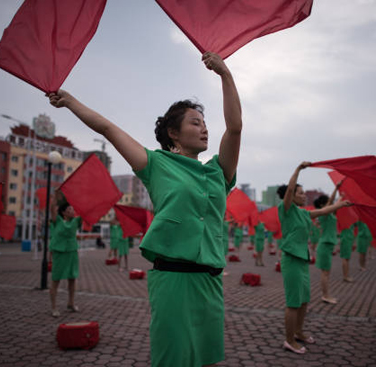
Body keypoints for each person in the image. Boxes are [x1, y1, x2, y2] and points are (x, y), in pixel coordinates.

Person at [48, 51, 241, 367]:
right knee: (173, 358)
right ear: (173, 134)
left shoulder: (219, 172)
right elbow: (109, 130)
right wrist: (71, 102)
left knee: (206, 359)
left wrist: (225, 75)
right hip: (173, 278)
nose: (205, 129)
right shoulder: (156, 164)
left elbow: (234, 128)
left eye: (205, 123)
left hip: (210, 281)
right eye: (196, 123)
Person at [277, 162, 351, 354]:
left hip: (302, 260)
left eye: (303, 193)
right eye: (300, 193)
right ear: (291, 196)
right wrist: (298, 169)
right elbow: (290, 188)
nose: (303, 195)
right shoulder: (286, 210)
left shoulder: (303, 213)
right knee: (293, 302)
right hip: (291, 260)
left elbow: (324, 211)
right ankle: (288, 340)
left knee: (304, 300)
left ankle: (299, 332)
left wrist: (341, 204)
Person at [49, 193, 82, 317]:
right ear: (63, 213)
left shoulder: (76, 221)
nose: (72, 211)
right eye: (69, 209)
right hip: (59, 252)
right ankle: (54, 307)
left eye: (72, 209)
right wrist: (56, 197)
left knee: (72, 278)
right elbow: (52, 208)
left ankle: (71, 303)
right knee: (56, 279)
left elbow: (86, 211)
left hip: (72, 252)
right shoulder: (57, 221)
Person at [314, 182, 342, 304]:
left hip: (327, 246)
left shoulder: (330, 214)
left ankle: (326, 294)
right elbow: (332, 203)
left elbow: (336, 204)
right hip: (324, 245)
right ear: (322, 205)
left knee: (327, 272)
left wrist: (343, 195)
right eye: (327, 204)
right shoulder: (323, 215)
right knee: (325, 273)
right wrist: (336, 188)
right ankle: (325, 296)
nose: (329, 205)